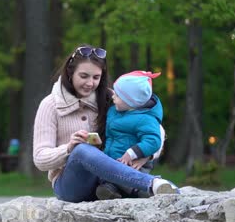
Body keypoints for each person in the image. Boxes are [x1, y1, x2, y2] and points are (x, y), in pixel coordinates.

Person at [32, 45, 179, 203]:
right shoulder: (50, 105)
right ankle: (151, 184)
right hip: (71, 185)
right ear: (70, 72)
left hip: (109, 183)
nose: (90, 83)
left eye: (96, 77)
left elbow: (156, 130)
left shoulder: (113, 98)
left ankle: (137, 187)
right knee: (82, 150)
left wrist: (146, 155)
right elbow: (40, 158)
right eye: (84, 76)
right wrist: (68, 148)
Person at [96, 71, 165, 200]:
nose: (113, 97)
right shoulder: (116, 110)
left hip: (134, 163)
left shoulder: (145, 119)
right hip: (113, 160)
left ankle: (141, 191)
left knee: (128, 179)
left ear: (131, 101)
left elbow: (153, 140)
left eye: (117, 95)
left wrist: (132, 153)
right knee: (108, 180)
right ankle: (110, 190)